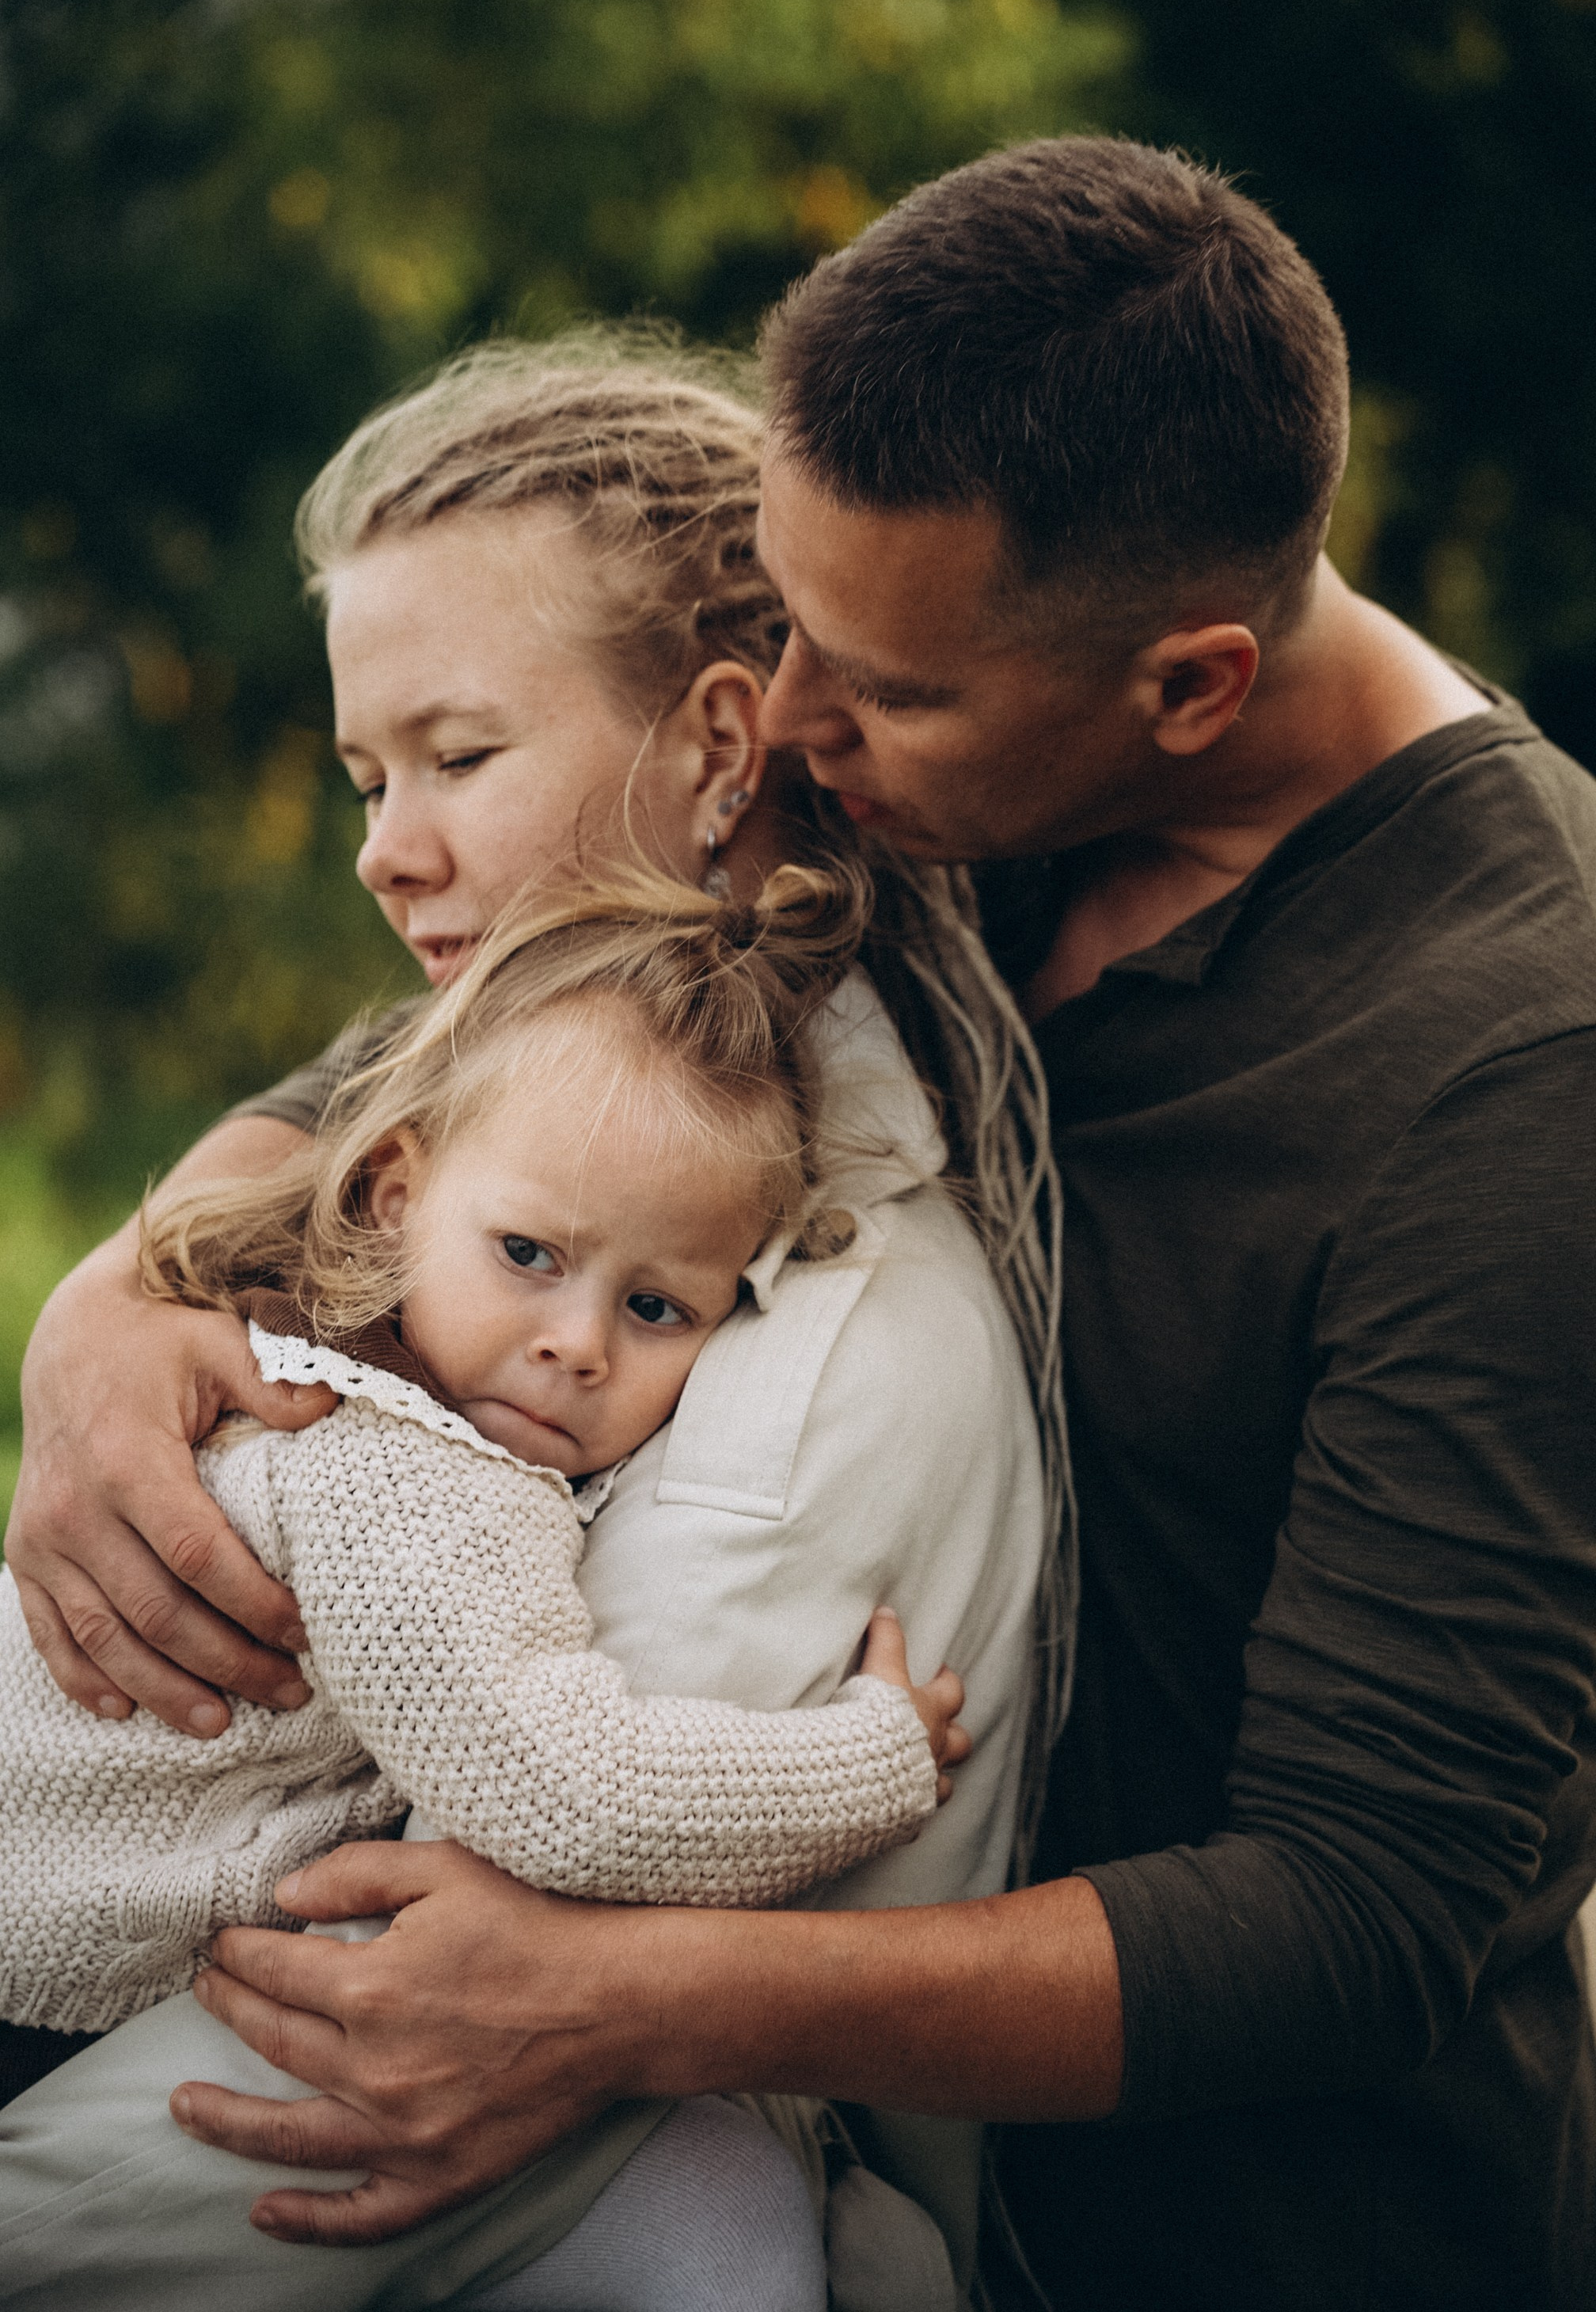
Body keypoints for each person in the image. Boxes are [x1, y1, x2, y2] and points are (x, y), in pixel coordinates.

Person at [24, 135, 1593, 2312]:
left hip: (1237, 2245)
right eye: (780, 626)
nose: (799, 727)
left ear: (1191, 687)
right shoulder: (939, 751)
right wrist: (119, 1306)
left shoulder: (1517, 1066)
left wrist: (627, 1998)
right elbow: (504, 1052)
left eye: (879, 687)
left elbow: (1364, 1913)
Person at [3, 344, 1054, 2307]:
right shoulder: (556, 1141)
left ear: (723, 746)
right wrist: (109, 1307)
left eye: (456, 757)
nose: (385, 846)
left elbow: (438, 2003)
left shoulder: (797, 1362)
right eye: (364, 776)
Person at [1, 869, 972, 2310]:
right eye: (530, 1257)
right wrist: (872, 1759)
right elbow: (561, 1789)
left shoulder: (380, 1383)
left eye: (658, 1310)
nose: (575, 1345)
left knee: (730, 2204)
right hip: (30, 1981)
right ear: (396, 1195)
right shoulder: (396, 1468)